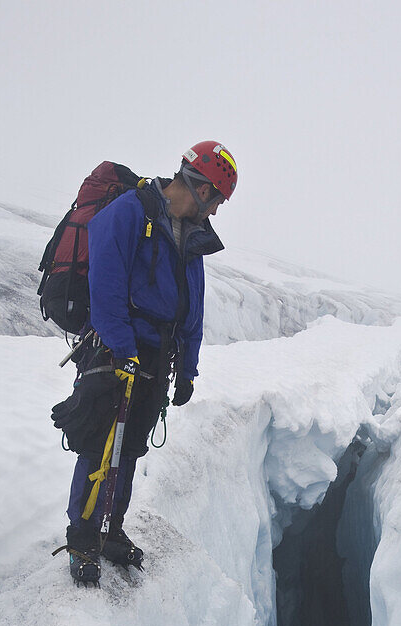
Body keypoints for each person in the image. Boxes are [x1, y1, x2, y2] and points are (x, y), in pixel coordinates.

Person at [57, 142, 237, 584]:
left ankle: (111, 529)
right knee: (103, 441)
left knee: (131, 446)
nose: (214, 213)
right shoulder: (130, 210)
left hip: (156, 357)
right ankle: (82, 536)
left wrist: (188, 370)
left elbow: (190, 310)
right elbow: (105, 284)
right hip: (117, 350)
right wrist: (122, 348)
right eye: (216, 201)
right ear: (200, 188)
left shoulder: (190, 240)